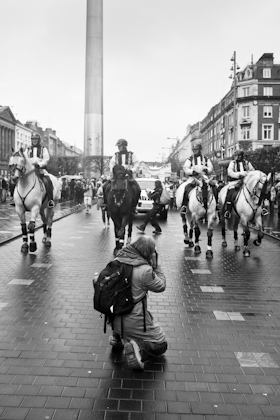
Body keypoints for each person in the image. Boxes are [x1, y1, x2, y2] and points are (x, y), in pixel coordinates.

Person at [109, 235, 167, 370]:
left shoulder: (117, 262)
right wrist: (157, 267)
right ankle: (139, 349)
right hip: (133, 322)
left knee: (125, 302)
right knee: (161, 345)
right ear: (148, 252)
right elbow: (161, 286)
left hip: (116, 321)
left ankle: (117, 338)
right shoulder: (145, 270)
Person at [223, 149, 267, 218]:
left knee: (258, 191)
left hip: (246, 181)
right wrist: (239, 174)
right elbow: (230, 172)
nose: (237, 157)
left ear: (242, 156)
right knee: (230, 192)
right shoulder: (233, 163)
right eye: (236, 156)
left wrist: (248, 174)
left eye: (238, 156)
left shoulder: (247, 163)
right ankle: (228, 211)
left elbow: (253, 171)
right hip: (235, 181)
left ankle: (262, 208)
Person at [103, 139, 141, 214]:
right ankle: (106, 204)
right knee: (105, 186)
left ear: (124, 146)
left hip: (128, 176)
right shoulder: (115, 155)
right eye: (118, 146)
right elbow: (111, 164)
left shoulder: (132, 154)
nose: (118, 148)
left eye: (119, 146)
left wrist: (131, 171)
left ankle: (134, 207)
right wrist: (114, 171)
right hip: (117, 176)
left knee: (137, 189)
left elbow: (137, 164)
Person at [181, 143, 217, 211]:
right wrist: (192, 172)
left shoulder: (206, 158)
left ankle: (217, 204)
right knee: (187, 188)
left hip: (204, 177)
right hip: (194, 178)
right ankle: (184, 205)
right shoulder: (190, 159)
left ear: (200, 149)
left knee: (214, 186)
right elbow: (186, 168)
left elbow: (211, 167)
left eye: (196, 149)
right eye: (193, 150)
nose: (194, 151)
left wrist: (207, 170)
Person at [27, 133, 54, 208]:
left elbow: (46, 159)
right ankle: (15, 198)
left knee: (48, 181)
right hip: (30, 170)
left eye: (36, 139)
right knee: (19, 180)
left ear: (38, 140)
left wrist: (39, 165)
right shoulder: (28, 149)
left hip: (40, 169)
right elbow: (25, 158)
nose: (34, 141)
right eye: (33, 139)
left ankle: (50, 200)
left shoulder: (43, 149)